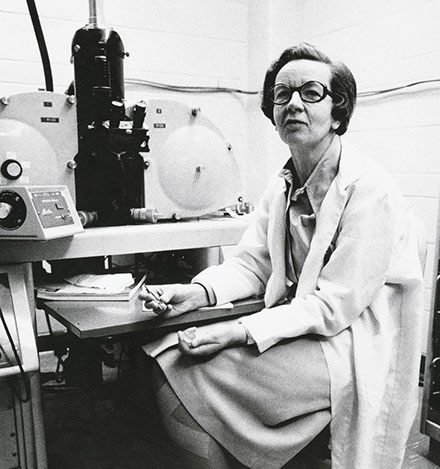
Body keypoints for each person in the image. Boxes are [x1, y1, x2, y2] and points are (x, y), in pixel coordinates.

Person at [140, 42, 425, 469]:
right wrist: (197, 292)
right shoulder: (282, 183)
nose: (292, 103)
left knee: (179, 375)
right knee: (166, 356)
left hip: (349, 343)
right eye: (281, 93)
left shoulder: (370, 190)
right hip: (305, 327)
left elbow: (334, 306)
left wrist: (240, 330)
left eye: (310, 92)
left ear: (338, 112)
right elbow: (253, 264)